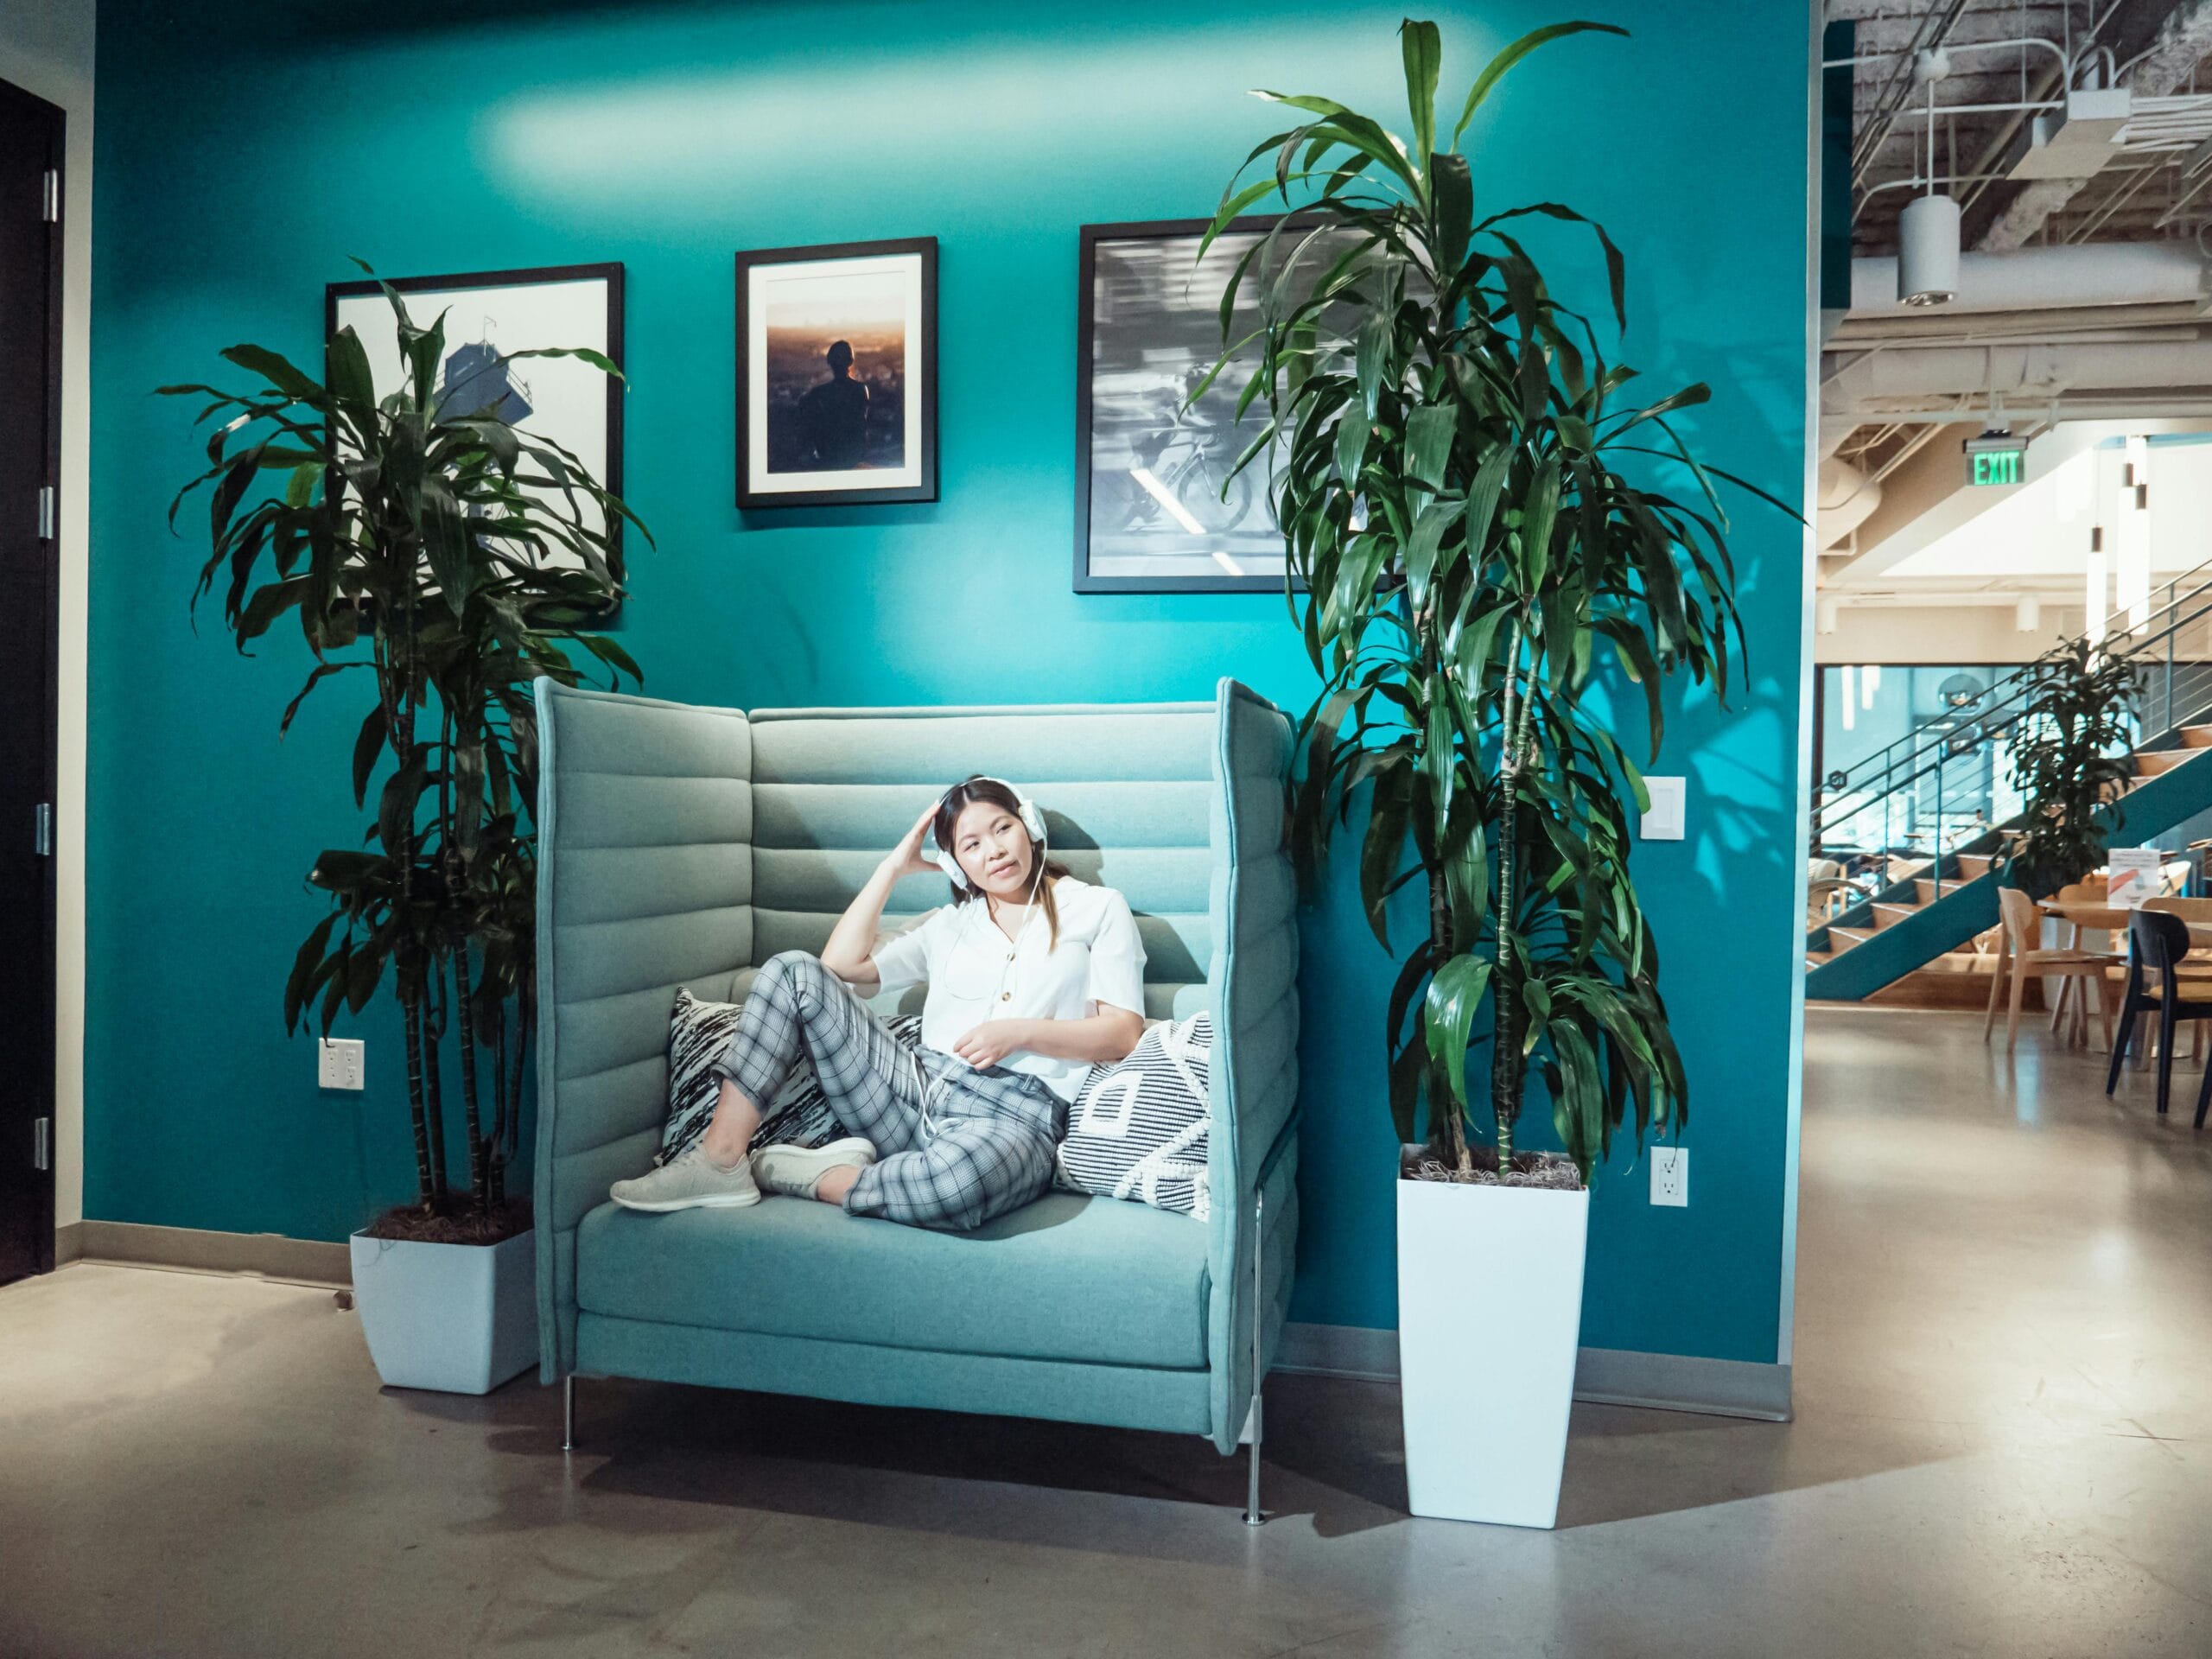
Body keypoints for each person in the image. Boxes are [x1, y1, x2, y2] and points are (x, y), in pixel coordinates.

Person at [608, 776, 1147, 1231]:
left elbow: (1123, 1032)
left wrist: (1019, 1032)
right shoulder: (947, 926)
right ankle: (720, 1160)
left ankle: (817, 1176)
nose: (995, 851)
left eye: (1003, 828)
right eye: (971, 844)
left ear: (1029, 826)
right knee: (793, 970)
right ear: (956, 864)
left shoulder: (1096, 908)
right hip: (911, 1091)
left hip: (1015, 1117)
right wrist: (892, 868)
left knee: (956, 1186)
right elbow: (839, 965)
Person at [791, 339, 869, 469]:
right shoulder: (860, 389)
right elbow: (861, 426)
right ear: (850, 361)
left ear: (829, 361)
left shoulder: (818, 393)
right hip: (852, 455)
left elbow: (807, 427)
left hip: (827, 454)